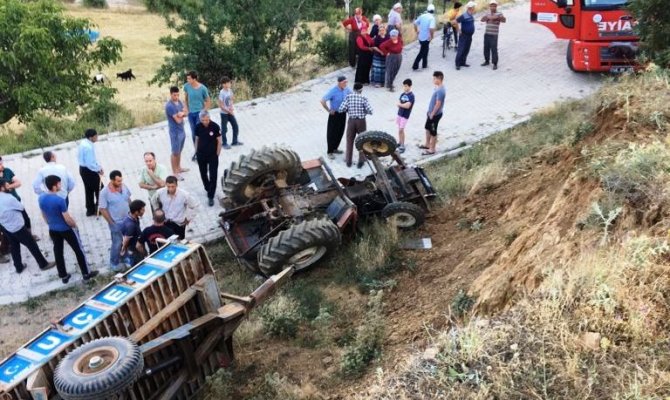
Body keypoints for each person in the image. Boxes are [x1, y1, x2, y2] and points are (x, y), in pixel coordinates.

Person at [38, 175, 97, 283]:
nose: (60, 185)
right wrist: (74, 225)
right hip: (65, 229)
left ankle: (63, 275)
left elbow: (43, 214)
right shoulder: (60, 200)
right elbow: (67, 218)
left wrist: (50, 223)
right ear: (55, 186)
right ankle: (86, 273)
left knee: (58, 251)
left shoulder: (41, 198)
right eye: (59, 183)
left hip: (53, 229)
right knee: (79, 250)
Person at [0, 179, 55, 274]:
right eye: (7, 185)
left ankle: (18, 267)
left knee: (14, 247)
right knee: (32, 245)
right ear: (2, 187)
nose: (8, 186)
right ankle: (43, 264)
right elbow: (20, 207)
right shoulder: (8, 198)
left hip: (6, 227)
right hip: (17, 227)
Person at [99, 170, 132, 272]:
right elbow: (102, 209)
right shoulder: (104, 192)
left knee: (126, 240)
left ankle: (125, 256)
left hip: (127, 219)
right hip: (116, 222)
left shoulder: (124, 186)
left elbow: (129, 198)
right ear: (112, 180)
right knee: (117, 243)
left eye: (121, 180)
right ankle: (114, 262)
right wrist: (111, 222)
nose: (120, 183)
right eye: (118, 181)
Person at [338, 83, 373, 168]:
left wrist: (348, 110)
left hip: (351, 121)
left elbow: (341, 109)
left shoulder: (348, 97)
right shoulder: (363, 98)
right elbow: (370, 111)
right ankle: (361, 161)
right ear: (361, 90)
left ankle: (348, 161)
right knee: (362, 141)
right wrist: (364, 111)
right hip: (361, 121)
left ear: (353, 89)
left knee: (349, 141)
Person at [320, 76, 353, 160]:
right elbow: (322, 101)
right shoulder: (333, 91)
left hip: (343, 113)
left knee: (340, 132)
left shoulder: (346, 89)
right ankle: (330, 151)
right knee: (332, 133)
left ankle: (335, 148)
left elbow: (352, 96)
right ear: (339, 83)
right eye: (344, 82)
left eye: (346, 82)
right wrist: (329, 110)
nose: (345, 84)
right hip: (334, 114)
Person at [194, 110, 222, 207]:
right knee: (203, 174)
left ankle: (211, 196)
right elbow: (197, 139)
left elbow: (219, 141)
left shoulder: (215, 126)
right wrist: (196, 152)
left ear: (209, 118)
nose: (205, 122)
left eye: (207, 119)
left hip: (212, 155)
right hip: (201, 155)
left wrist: (217, 153)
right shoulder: (198, 127)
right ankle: (207, 188)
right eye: (203, 120)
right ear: (200, 119)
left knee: (213, 175)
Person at [183, 70, 211, 162]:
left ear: (194, 79)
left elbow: (208, 101)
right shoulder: (187, 86)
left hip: (200, 114)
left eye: (189, 78)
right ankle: (197, 152)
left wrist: (203, 112)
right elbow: (186, 99)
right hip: (191, 114)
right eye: (187, 78)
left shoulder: (203, 88)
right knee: (194, 134)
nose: (187, 80)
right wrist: (186, 109)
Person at [0, 156, 32, 232]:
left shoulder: (7, 171)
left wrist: (8, 187)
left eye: (1, 163)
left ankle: (30, 234)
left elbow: (18, 183)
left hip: (15, 199)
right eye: (0, 164)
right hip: (3, 204)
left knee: (25, 217)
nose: (2, 166)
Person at [77, 128, 104, 216]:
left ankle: (90, 209)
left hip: (82, 169)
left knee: (88, 189)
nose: (97, 137)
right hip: (89, 170)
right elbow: (90, 164)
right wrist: (98, 169)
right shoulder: (88, 147)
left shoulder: (83, 143)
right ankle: (99, 209)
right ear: (91, 137)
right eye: (96, 136)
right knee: (100, 188)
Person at [420, 71, 446, 155]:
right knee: (427, 127)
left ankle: (432, 149)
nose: (433, 80)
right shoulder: (438, 88)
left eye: (434, 78)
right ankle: (427, 144)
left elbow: (438, 104)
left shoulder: (440, 91)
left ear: (439, 79)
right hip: (431, 113)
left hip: (435, 115)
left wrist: (432, 114)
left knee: (433, 131)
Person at [165, 86, 189, 177]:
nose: (176, 97)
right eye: (174, 95)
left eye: (178, 95)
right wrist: (183, 115)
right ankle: (174, 172)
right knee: (175, 152)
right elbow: (178, 121)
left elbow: (186, 112)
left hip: (182, 130)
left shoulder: (179, 102)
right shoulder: (169, 106)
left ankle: (179, 168)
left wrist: (182, 114)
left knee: (179, 151)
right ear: (171, 94)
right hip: (175, 132)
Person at [217, 76, 242, 149]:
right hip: (224, 114)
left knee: (235, 126)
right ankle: (224, 143)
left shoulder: (229, 90)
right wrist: (228, 111)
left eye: (229, 83)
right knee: (224, 129)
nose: (229, 84)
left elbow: (231, 99)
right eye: (228, 83)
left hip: (230, 112)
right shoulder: (222, 93)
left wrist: (231, 107)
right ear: (223, 84)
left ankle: (235, 141)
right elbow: (221, 105)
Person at [481, 0, 506, 70]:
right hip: (487, 33)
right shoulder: (487, 13)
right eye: (491, 6)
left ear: (496, 6)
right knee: (486, 48)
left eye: (494, 6)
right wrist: (487, 17)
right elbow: (482, 20)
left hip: (494, 35)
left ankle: (495, 63)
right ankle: (486, 61)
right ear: (489, 6)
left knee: (494, 49)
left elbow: (504, 20)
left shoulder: (499, 13)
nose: (492, 7)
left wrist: (497, 17)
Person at [120, 200, 145, 266]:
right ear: (136, 212)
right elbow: (126, 239)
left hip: (136, 245)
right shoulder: (130, 226)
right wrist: (124, 249)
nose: (144, 211)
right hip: (135, 249)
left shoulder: (133, 216)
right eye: (142, 210)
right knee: (139, 265)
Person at [411, 4, 437, 70]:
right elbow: (431, 29)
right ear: (433, 11)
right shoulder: (432, 18)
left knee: (425, 50)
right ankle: (415, 65)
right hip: (426, 38)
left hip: (420, 37)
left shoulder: (422, 16)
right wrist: (432, 36)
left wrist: (416, 30)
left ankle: (424, 64)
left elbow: (414, 23)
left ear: (427, 10)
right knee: (422, 51)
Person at [396, 79, 415, 153]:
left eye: (406, 86)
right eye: (403, 86)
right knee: (399, 129)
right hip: (399, 114)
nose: (404, 87)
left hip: (405, 115)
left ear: (410, 86)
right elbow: (399, 101)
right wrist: (400, 104)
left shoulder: (411, 96)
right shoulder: (403, 94)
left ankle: (402, 145)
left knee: (401, 129)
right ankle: (400, 142)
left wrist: (400, 105)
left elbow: (408, 106)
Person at [455, 1, 476, 70]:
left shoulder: (471, 15)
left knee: (466, 49)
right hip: (464, 35)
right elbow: (456, 21)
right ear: (470, 8)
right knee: (461, 49)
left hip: (469, 36)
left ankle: (463, 62)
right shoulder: (464, 15)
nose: (474, 8)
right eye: (473, 7)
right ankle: (457, 64)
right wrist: (459, 30)